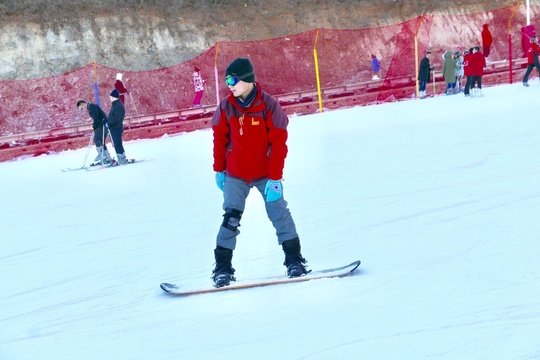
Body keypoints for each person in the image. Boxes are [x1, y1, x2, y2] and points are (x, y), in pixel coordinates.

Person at [211, 57, 308, 287]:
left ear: (247, 79)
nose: (230, 85)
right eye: (227, 80)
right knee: (231, 219)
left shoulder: (269, 105)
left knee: (279, 215)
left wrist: (275, 178)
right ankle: (223, 268)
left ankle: (294, 260)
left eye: (233, 79)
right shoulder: (226, 107)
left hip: (265, 174)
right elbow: (219, 139)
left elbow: (279, 144)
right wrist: (219, 169)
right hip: (235, 174)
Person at [76, 100, 112, 164]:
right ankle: (107, 157)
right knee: (101, 141)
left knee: (96, 139)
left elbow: (96, 116)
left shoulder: (91, 106)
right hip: (101, 125)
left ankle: (102, 154)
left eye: (81, 108)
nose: (83, 110)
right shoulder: (90, 108)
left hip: (102, 125)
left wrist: (95, 125)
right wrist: (95, 125)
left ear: (83, 104)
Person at [106, 89, 129, 164]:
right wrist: (106, 121)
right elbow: (112, 116)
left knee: (118, 143)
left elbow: (117, 117)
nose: (110, 98)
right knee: (115, 143)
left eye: (111, 97)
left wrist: (109, 123)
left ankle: (122, 158)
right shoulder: (115, 104)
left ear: (114, 97)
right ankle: (120, 158)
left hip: (116, 127)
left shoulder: (118, 105)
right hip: (113, 128)